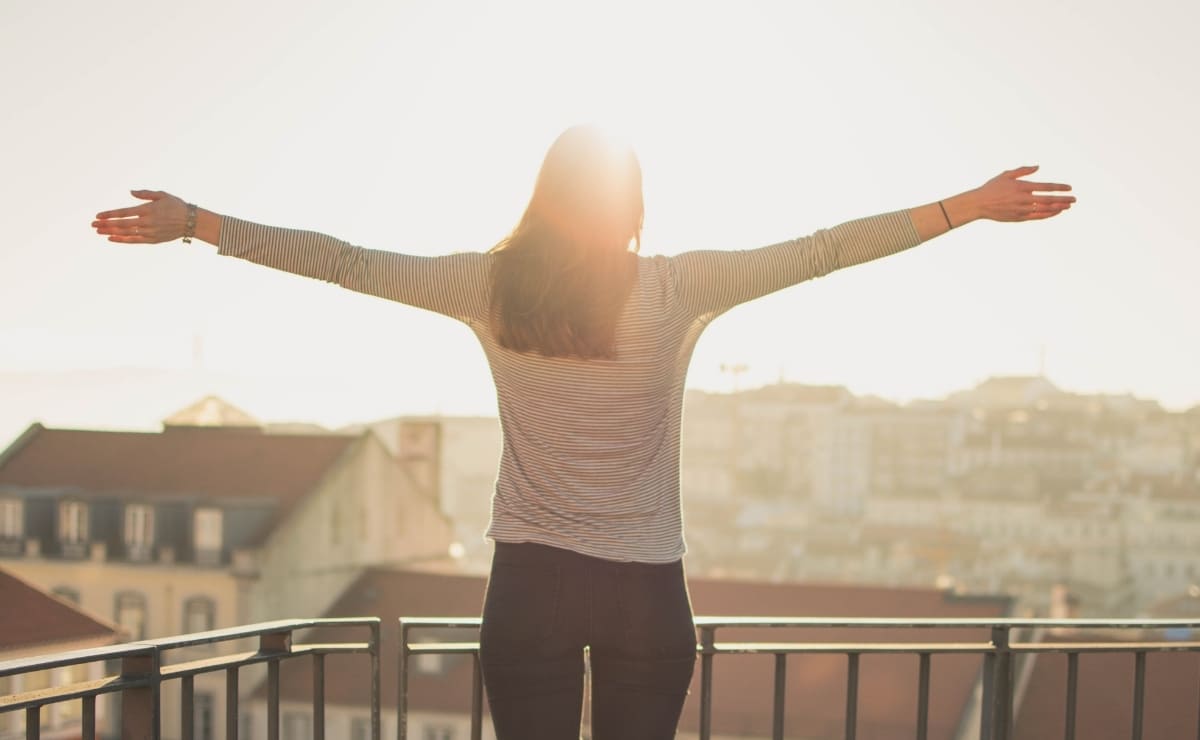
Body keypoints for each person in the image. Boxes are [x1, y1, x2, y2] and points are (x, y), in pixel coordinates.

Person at [92, 125, 1074, 739]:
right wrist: (966, 209)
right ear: (633, 203)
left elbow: (344, 262)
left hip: (528, 589)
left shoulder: (487, 285)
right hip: (647, 593)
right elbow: (819, 252)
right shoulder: (678, 286)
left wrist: (200, 222)